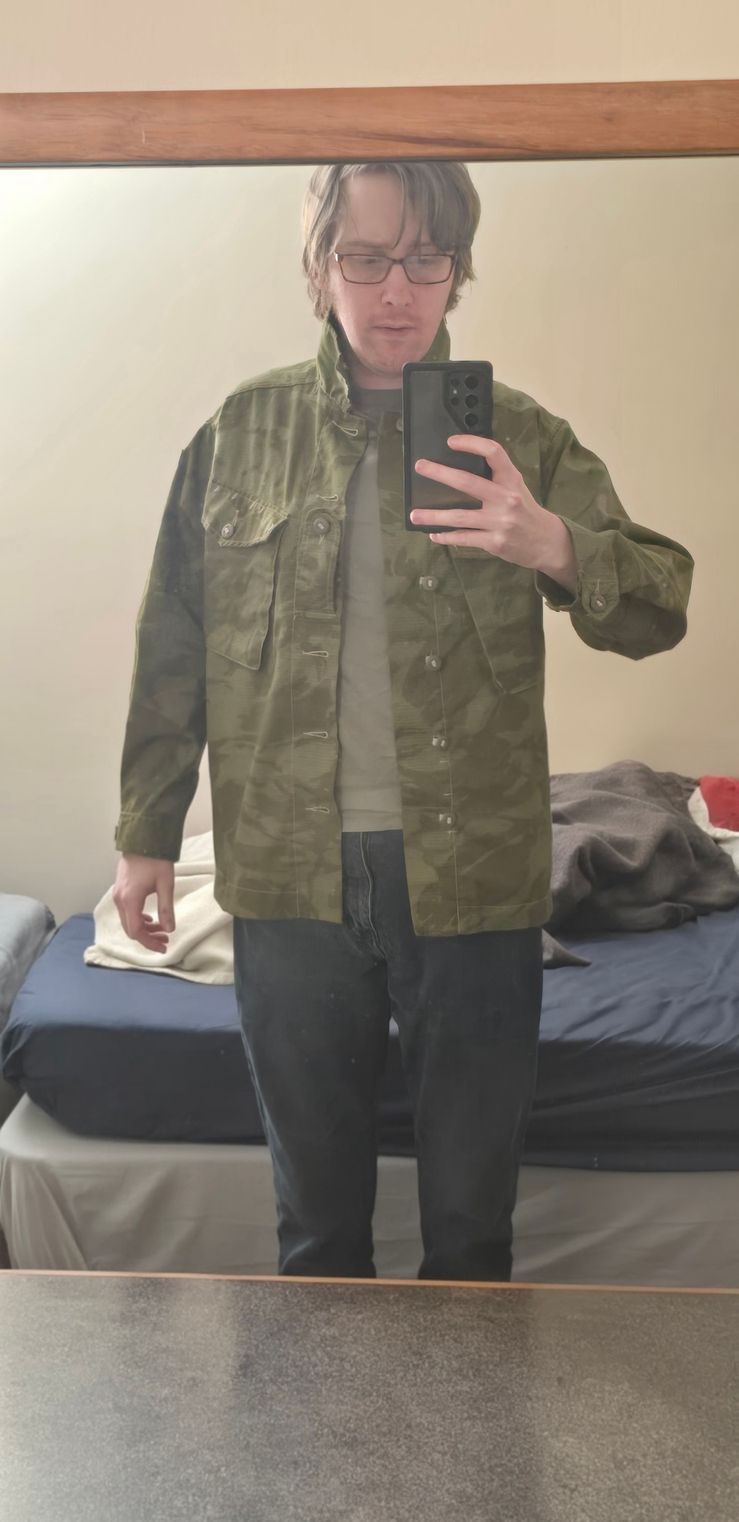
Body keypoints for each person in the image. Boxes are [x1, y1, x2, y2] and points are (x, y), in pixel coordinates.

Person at [113, 161, 694, 1283]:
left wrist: (554, 545)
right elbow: (173, 638)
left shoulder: (516, 435)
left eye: (425, 259)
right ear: (318, 266)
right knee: (316, 1230)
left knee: (471, 1233)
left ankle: (466, 1405)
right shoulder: (242, 432)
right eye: (365, 257)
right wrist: (147, 832)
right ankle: (328, 1408)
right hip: (289, 876)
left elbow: (659, 604)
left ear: (457, 270)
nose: (396, 291)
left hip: (474, 876)